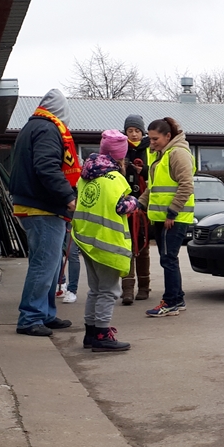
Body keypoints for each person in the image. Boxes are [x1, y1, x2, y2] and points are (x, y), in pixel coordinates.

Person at [9, 89, 78, 337]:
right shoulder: (48, 129)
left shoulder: (33, 127)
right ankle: (30, 317)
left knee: (49, 263)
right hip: (43, 207)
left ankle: (45, 314)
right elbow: (47, 167)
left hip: (35, 204)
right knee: (44, 263)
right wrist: (68, 196)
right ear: (61, 112)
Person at [73, 131, 137, 351]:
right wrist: (134, 202)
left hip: (87, 238)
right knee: (109, 291)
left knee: (95, 289)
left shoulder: (85, 176)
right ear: (120, 156)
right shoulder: (116, 179)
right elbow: (121, 207)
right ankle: (102, 334)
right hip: (107, 241)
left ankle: (90, 333)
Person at [138, 117, 194, 318]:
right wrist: (139, 204)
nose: (151, 142)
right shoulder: (161, 155)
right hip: (163, 217)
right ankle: (177, 299)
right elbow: (153, 189)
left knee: (168, 259)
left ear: (168, 136)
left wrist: (172, 212)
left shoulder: (177, 154)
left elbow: (186, 185)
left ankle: (170, 301)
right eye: (150, 138)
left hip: (173, 218)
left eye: (155, 139)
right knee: (169, 259)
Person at [121, 114, 152, 305]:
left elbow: (157, 172)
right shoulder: (120, 148)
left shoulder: (150, 149)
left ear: (143, 132)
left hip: (143, 205)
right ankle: (127, 290)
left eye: (137, 131)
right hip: (124, 205)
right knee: (126, 247)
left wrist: (144, 171)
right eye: (130, 131)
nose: (133, 134)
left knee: (142, 246)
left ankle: (144, 287)